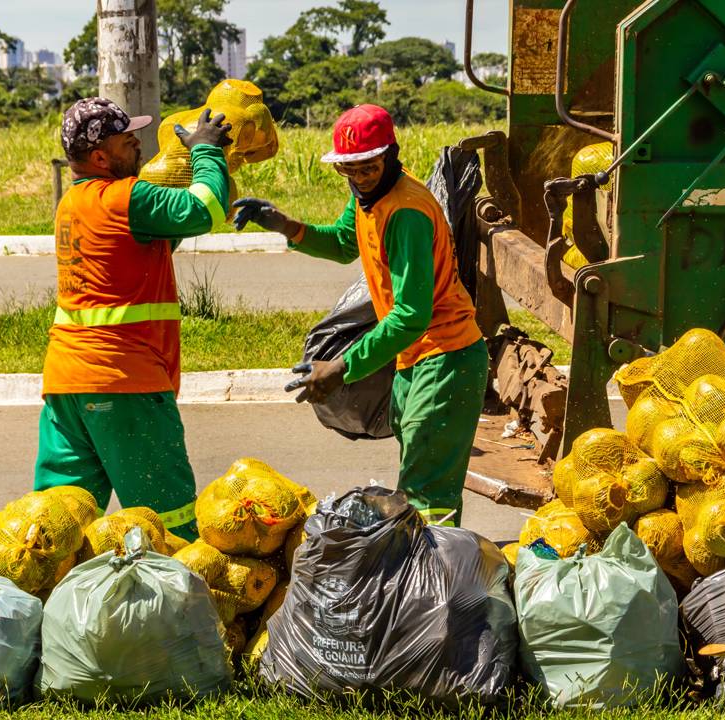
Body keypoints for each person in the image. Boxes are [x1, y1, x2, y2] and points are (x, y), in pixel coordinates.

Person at [234, 104, 487, 527]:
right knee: (417, 487)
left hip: (446, 359)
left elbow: (409, 316)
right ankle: (424, 576)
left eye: (368, 167)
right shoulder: (368, 197)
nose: (358, 177)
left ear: (391, 155)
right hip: (414, 360)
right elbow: (342, 243)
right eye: (348, 169)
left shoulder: (406, 212)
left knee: (429, 500)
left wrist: (342, 367)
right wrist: (285, 225)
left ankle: (438, 584)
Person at [34, 97, 234, 541]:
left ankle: (51, 602)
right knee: (169, 519)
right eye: (128, 142)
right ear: (101, 157)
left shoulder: (75, 203)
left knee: (57, 528)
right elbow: (206, 210)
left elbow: (144, 252)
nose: (139, 147)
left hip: (67, 386)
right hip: (124, 382)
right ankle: (181, 603)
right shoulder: (125, 198)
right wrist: (206, 152)